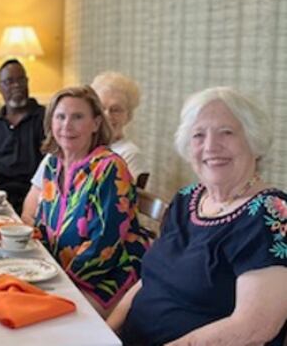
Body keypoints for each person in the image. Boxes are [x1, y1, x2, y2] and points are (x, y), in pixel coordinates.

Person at [108, 87, 287, 345]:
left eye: (227, 132)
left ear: (254, 141)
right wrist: (105, 331)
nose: (211, 146)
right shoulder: (187, 199)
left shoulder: (271, 215)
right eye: (198, 135)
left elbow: (254, 327)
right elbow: (149, 281)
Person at [33, 86, 148, 317]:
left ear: (96, 124)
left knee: (52, 322)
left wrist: (59, 283)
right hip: (60, 272)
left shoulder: (110, 168)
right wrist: (38, 271)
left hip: (108, 274)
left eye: (78, 117)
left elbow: (103, 244)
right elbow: (42, 227)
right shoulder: (53, 165)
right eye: (61, 116)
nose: (67, 125)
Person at [23, 71, 147, 224]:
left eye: (116, 110)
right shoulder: (59, 156)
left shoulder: (116, 162)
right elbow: (30, 207)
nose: (107, 115)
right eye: (102, 108)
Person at [0, 59, 45, 215]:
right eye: (9, 81)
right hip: (1, 198)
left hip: (37, 196)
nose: (16, 85)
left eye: (20, 79)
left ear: (27, 82)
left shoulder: (46, 119)